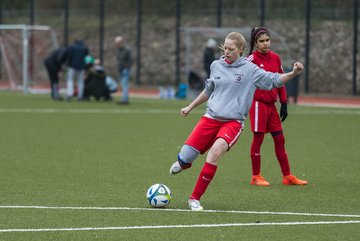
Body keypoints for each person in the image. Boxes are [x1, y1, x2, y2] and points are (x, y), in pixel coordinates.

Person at [169, 32, 304, 211]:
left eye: (231, 49)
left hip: (233, 122)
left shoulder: (250, 70)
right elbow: (208, 90)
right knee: (185, 158)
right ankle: (184, 163)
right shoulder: (216, 65)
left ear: (241, 50)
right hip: (210, 118)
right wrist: (190, 107)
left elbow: (274, 80)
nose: (226, 51)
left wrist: (294, 73)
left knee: (215, 152)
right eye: (224, 47)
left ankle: (194, 199)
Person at [247, 27, 308, 186]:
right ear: (255, 43)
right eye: (261, 41)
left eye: (267, 40)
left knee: (280, 139)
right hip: (258, 104)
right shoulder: (251, 60)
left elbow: (281, 80)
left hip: (271, 106)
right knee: (258, 139)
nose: (265, 43)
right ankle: (255, 176)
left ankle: (287, 176)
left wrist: (284, 103)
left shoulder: (275, 58)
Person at [114, 35, 132, 105]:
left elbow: (131, 60)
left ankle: (124, 99)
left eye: (118, 43)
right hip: (120, 69)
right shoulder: (118, 50)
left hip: (125, 70)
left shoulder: (127, 50)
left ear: (121, 42)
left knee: (124, 84)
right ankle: (125, 98)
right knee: (123, 84)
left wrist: (127, 68)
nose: (117, 45)